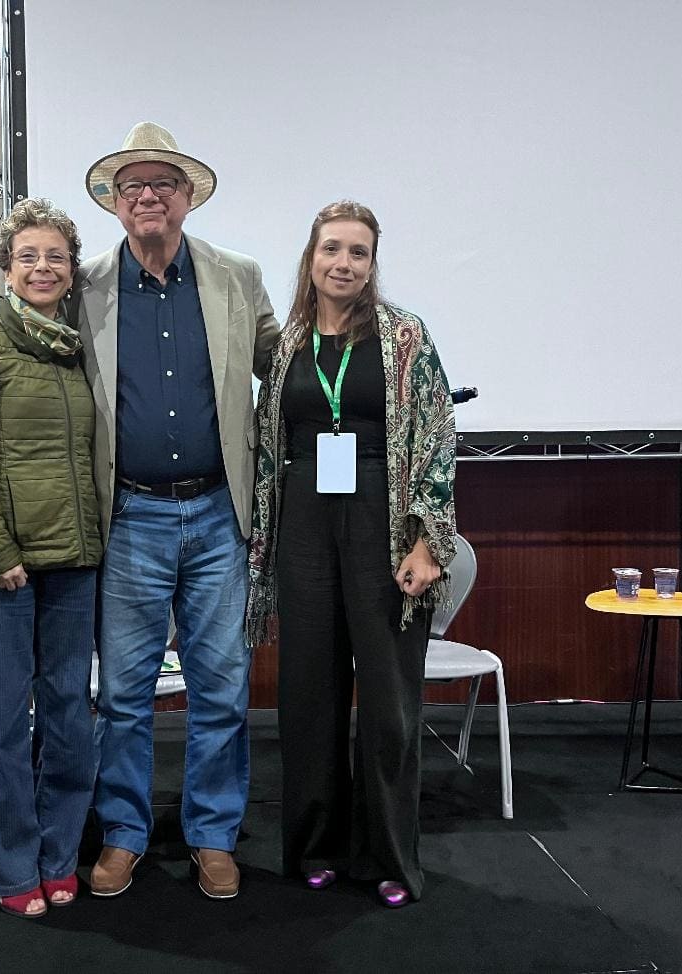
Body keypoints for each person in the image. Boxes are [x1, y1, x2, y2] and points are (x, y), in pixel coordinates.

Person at [0, 122, 280, 900]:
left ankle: (212, 834)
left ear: (188, 197)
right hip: (127, 520)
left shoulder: (237, 278)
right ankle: (123, 832)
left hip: (220, 519)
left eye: (163, 183)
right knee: (121, 695)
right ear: (114, 205)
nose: (148, 195)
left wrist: (372, 353)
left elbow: (285, 366)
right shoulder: (83, 284)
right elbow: (15, 353)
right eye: (132, 186)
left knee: (220, 689)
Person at [245, 200, 457, 909]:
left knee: (390, 704)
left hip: (383, 526)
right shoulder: (286, 346)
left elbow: (436, 435)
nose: (343, 263)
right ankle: (313, 847)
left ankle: (389, 856)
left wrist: (429, 543)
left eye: (357, 252)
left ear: (372, 263)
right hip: (303, 524)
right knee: (309, 695)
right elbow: (264, 443)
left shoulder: (403, 337)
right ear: (310, 256)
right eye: (331, 248)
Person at [0, 197, 101, 918]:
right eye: (28, 256)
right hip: (0, 567)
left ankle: (58, 856)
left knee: (70, 716)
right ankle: (8, 869)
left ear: (72, 272)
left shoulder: (79, 346)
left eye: (56, 257)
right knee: (4, 723)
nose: (43, 268)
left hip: (75, 561)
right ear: (5, 267)